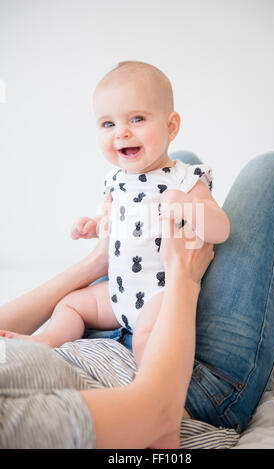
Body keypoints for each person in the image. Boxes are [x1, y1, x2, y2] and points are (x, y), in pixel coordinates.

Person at [0, 62, 230, 374]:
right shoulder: (115, 180)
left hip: (158, 295)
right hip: (116, 292)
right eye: (108, 124)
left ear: (171, 126)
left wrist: (189, 209)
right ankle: (50, 339)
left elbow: (222, 229)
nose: (122, 132)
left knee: (146, 339)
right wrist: (94, 227)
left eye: (137, 119)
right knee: (69, 304)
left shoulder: (185, 179)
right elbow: (114, 224)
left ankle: (155, 384)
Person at [0, 208, 215, 449]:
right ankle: (145, 368)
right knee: (143, 336)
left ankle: (50, 337)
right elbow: (157, 411)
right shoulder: (18, 429)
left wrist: (98, 248)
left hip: (99, 318)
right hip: (166, 367)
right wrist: (183, 275)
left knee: (160, 182)